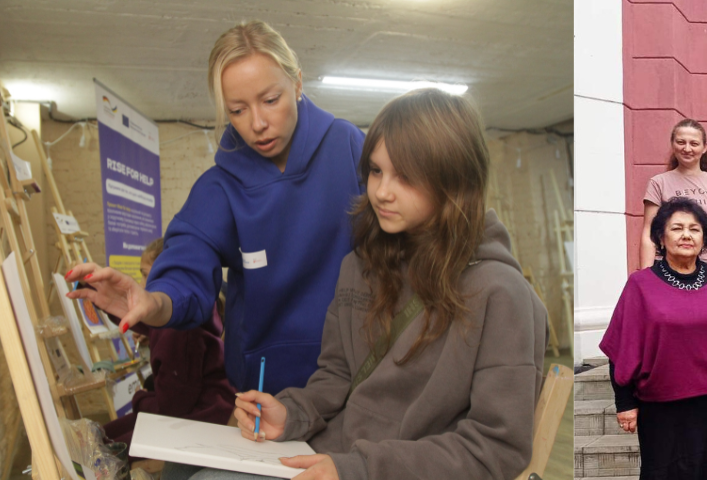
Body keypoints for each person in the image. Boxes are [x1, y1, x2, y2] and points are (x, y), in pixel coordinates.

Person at [170, 89, 546, 480]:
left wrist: (360, 469)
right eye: (377, 170)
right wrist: (292, 414)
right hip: (333, 454)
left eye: (406, 176)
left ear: (454, 179)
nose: (382, 191)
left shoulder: (501, 293)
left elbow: (496, 449)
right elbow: (336, 376)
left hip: (382, 471)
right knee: (180, 467)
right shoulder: (361, 265)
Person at [65, 21, 367, 395]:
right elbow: (187, 263)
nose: (258, 123)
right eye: (237, 110)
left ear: (298, 83)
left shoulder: (350, 149)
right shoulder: (220, 186)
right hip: (264, 393)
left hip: (356, 378)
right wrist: (154, 300)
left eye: (271, 100)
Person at [604, 197, 707, 480]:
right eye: (677, 228)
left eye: (695, 229)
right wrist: (624, 402)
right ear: (661, 237)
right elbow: (621, 347)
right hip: (663, 408)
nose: (687, 235)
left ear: (704, 238)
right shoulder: (641, 284)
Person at [100, 237, 236, 444]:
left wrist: (140, 399)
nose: (140, 284)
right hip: (209, 410)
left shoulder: (177, 330)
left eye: (145, 275)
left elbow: (174, 408)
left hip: (202, 421)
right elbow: (148, 322)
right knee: (106, 436)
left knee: (109, 447)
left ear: (166, 276)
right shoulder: (186, 310)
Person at [640, 119, 707, 268]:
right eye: (681, 142)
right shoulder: (658, 183)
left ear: (704, 148)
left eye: (694, 143)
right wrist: (645, 277)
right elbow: (649, 234)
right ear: (673, 144)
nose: (687, 148)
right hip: (671, 267)